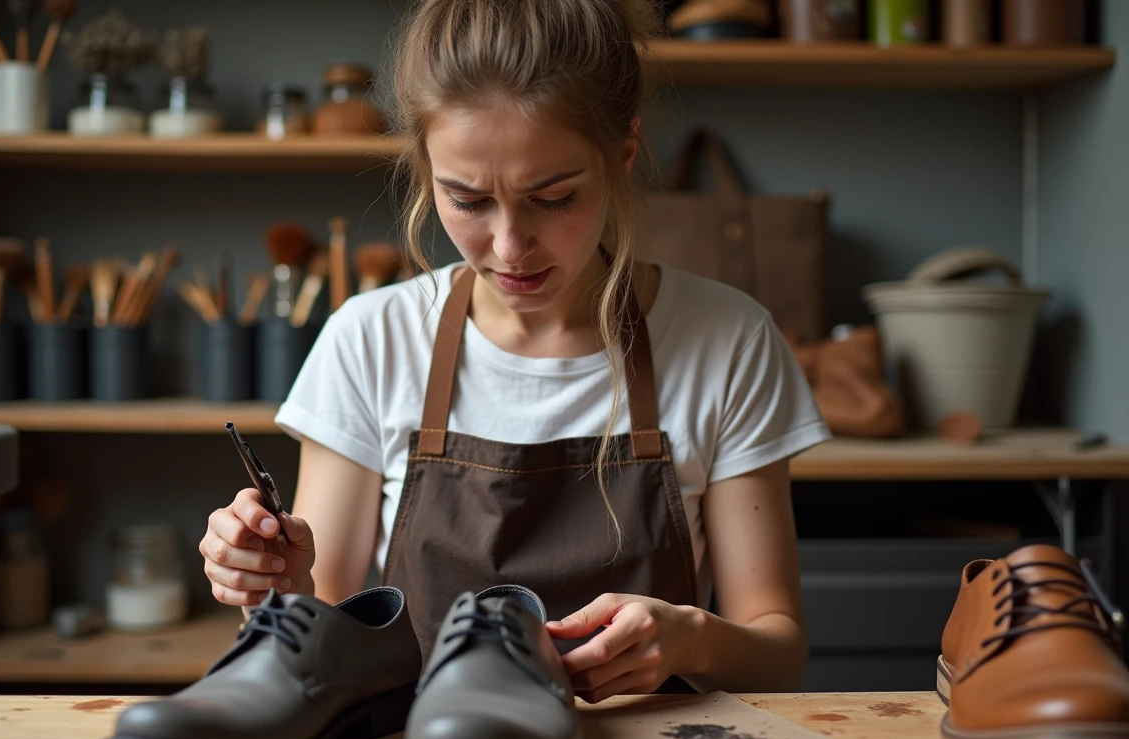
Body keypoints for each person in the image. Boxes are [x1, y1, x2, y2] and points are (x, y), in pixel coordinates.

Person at [201, 0, 831, 701]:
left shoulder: (729, 341)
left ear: (623, 153)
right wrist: (277, 589)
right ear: (425, 165)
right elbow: (323, 639)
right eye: (468, 200)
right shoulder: (370, 340)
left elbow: (779, 654)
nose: (508, 247)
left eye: (553, 197)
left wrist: (690, 638)